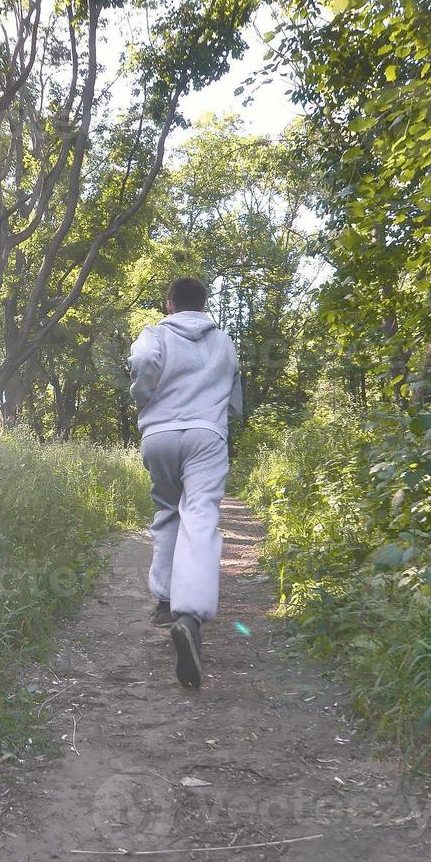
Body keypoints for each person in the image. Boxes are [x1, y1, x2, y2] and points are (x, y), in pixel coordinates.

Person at [127, 275, 242, 688]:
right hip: (204, 436)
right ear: (204, 303)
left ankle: (165, 599)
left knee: (168, 511)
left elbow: (142, 363)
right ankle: (188, 616)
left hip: (158, 436)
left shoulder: (155, 333)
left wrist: (145, 398)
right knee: (199, 516)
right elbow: (233, 398)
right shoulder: (223, 340)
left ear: (169, 302)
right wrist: (219, 418)